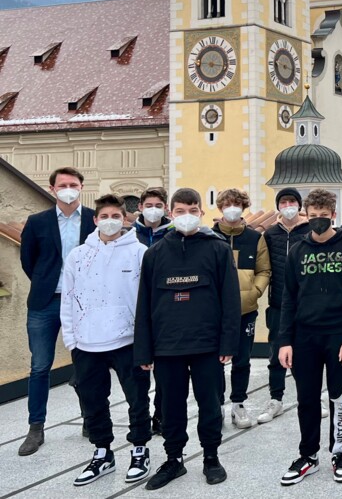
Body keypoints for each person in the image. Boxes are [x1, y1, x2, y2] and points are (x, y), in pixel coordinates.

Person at [134, 187, 241, 490]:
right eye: (180, 211)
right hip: (167, 346)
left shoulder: (217, 249)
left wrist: (228, 343)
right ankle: (173, 459)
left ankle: (211, 456)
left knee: (210, 403)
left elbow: (230, 300)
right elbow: (144, 305)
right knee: (171, 406)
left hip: (207, 345)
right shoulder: (154, 254)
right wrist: (144, 352)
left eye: (192, 210)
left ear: (201, 213)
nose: (186, 216)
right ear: (170, 213)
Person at [61, 194, 152, 486]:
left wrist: (146, 340)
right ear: (95, 220)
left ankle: (140, 449)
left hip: (128, 341)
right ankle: (103, 453)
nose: (110, 221)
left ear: (124, 219)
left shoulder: (139, 252)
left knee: (137, 398)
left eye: (116, 216)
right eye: (105, 216)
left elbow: (148, 299)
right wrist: (72, 339)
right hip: (87, 343)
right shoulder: (78, 255)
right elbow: (68, 298)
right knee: (93, 401)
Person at [278, 189, 342, 485]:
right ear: (306, 215)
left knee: (340, 399)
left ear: (333, 215)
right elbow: (288, 297)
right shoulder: (297, 251)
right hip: (304, 336)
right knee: (306, 399)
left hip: (338, 336)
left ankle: (340, 453)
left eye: (323, 216)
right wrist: (284, 340)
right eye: (312, 216)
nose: (317, 221)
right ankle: (308, 455)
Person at [18, 167, 95, 456]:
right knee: (40, 367)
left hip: (83, 303)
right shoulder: (37, 222)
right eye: (62, 184)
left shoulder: (93, 219)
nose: (68, 188)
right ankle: (35, 427)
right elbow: (29, 260)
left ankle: (91, 419)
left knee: (87, 364)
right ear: (52, 189)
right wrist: (46, 283)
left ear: (81, 187)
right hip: (45, 302)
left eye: (73, 184)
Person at [212, 188, 271, 429]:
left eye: (237, 203)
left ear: (244, 206)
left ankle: (238, 404)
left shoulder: (255, 238)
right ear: (220, 207)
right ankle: (216, 406)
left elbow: (264, 270)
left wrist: (254, 292)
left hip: (245, 310)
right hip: (214, 311)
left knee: (242, 360)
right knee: (214, 361)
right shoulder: (209, 236)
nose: (232, 207)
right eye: (227, 203)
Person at [259, 188, 311, 425]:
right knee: (276, 352)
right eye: (283, 202)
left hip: (307, 304)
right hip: (279, 302)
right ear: (278, 206)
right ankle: (275, 398)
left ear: (299, 205)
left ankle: (309, 398)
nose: (288, 205)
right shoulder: (271, 234)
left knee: (308, 354)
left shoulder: (310, 231)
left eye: (292, 201)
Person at [131, 186, 171, 436]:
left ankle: (161, 413)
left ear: (165, 208)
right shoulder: (130, 235)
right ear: (140, 207)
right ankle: (141, 414)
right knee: (140, 369)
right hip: (135, 307)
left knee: (165, 371)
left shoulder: (173, 233)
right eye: (149, 205)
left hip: (165, 308)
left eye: (158, 205)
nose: (153, 210)